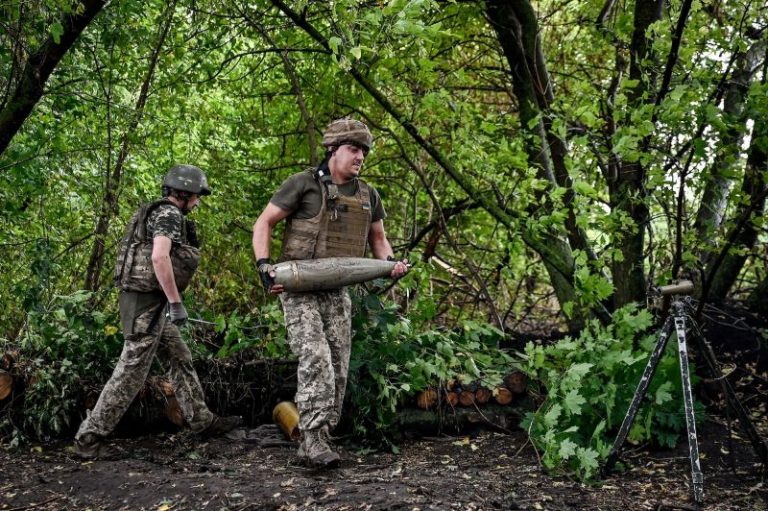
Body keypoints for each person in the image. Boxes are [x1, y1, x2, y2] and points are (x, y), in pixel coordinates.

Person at [252, 118, 409, 468]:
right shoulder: (303, 184)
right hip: (299, 288)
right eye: (353, 149)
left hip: (338, 292)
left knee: (338, 366)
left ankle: (322, 434)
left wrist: (392, 264)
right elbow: (264, 222)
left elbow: (379, 241)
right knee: (316, 357)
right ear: (332, 150)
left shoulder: (369, 195)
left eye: (364, 151)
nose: (360, 157)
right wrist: (264, 266)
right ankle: (311, 440)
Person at [74, 165, 241, 459]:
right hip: (146, 306)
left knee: (179, 355)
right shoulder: (169, 215)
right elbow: (159, 257)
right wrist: (175, 302)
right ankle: (89, 438)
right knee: (130, 372)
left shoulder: (157, 212)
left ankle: (202, 421)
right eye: (197, 196)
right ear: (186, 194)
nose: (199, 202)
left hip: (146, 303)